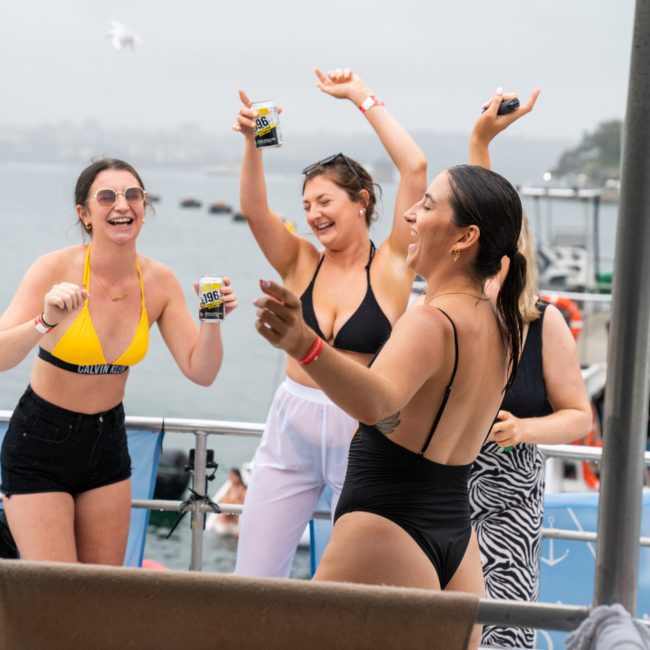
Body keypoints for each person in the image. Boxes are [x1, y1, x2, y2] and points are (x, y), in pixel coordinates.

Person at [254, 163, 527, 649]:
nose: (409, 216)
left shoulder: (431, 320)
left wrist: (304, 343)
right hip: (455, 536)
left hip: (386, 527)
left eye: (427, 205)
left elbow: (379, 402)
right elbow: (500, 229)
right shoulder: (503, 323)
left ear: (465, 238)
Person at [232, 67, 427, 577]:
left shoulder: (390, 266)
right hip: (291, 422)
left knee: (353, 581)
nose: (314, 214)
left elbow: (415, 168)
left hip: (362, 429)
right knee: (254, 576)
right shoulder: (301, 261)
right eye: (306, 206)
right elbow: (255, 211)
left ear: (361, 201)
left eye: (325, 201)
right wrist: (254, 143)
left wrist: (362, 98)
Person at [0, 158, 237, 565]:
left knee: (99, 594)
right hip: (41, 441)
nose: (122, 205)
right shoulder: (54, 268)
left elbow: (202, 372)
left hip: (107, 441)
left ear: (145, 208)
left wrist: (210, 321)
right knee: (56, 591)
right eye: (106, 196)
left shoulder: (159, 281)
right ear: (85, 214)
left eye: (133, 195)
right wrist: (45, 320)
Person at [467, 90, 592, 648]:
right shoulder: (452, 316)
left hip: (509, 501)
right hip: (441, 492)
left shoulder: (544, 324)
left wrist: (524, 429)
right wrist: (481, 140)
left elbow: (578, 416)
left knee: (503, 632)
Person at [215, 468, 247, 537]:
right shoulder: (230, 488)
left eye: (232, 476)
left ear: (238, 477)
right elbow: (222, 500)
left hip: (235, 521)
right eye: (230, 476)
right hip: (226, 520)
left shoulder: (243, 490)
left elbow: (242, 506)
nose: (231, 478)